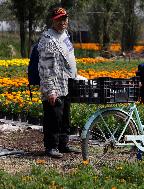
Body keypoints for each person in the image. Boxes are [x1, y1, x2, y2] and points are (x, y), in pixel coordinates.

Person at [38, 7, 80, 158]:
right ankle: (51, 147)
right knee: (53, 116)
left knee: (65, 116)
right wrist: (50, 90)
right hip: (54, 84)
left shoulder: (65, 36)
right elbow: (45, 68)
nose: (63, 22)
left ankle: (63, 144)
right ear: (53, 20)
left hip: (66, 82)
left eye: (65, 19)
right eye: (59, 19)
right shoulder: (48, 40)